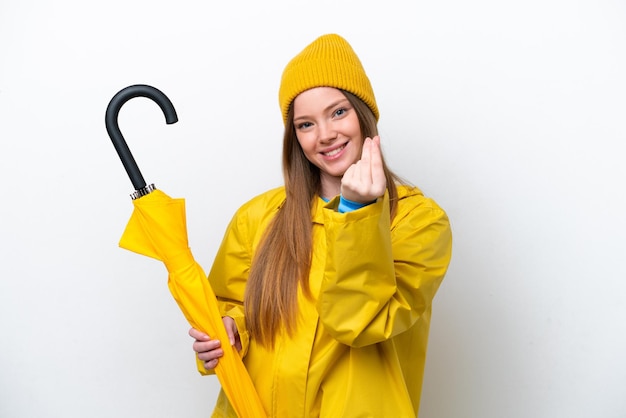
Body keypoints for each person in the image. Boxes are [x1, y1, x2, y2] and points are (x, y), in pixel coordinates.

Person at [189, 33, 453, 417]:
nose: (325, 134)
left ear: (364, 116)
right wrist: (228, 329)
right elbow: (230, 306)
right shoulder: (258, 217)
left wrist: (356, 212)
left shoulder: (419, 222)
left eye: (339, 112)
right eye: (306, 124)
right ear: (294, 137)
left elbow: (358, 323)